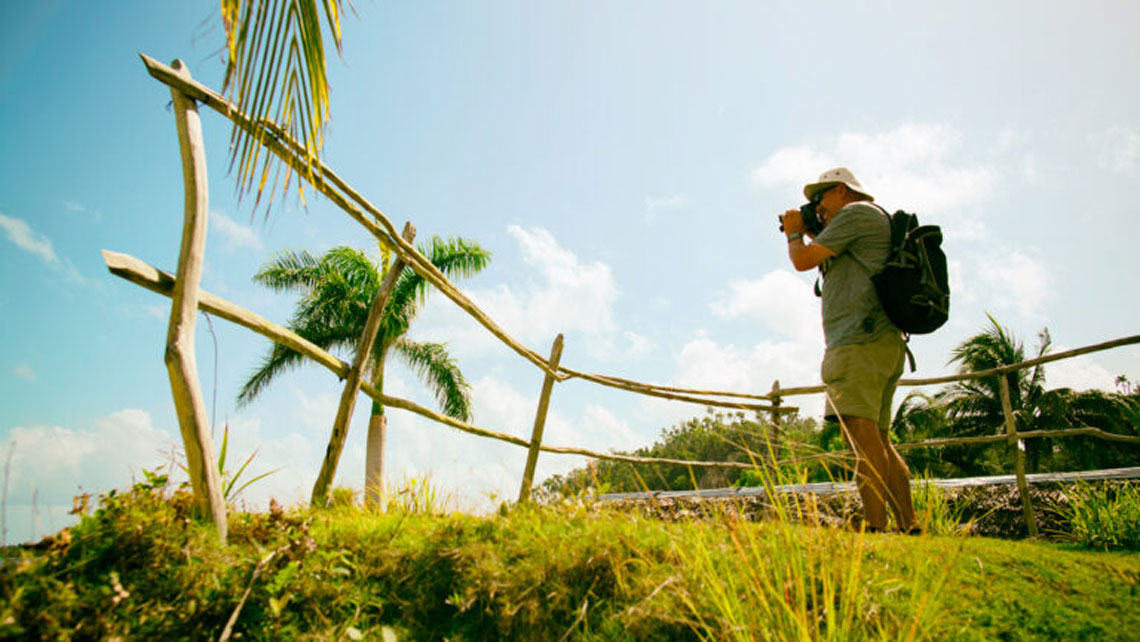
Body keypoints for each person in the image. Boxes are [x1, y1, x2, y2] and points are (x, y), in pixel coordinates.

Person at [779, 167, 919, 534]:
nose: (816, 208)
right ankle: (909, 524)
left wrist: (795, 233)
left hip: (858, 341)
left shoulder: (857, 214)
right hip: (881, 342)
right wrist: (813, 230)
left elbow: (802, 260)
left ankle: (875, 525)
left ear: (841, 191)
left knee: (859, 436)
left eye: (819, 200)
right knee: (878, 440)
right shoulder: (869, 222)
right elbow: (829, 258)